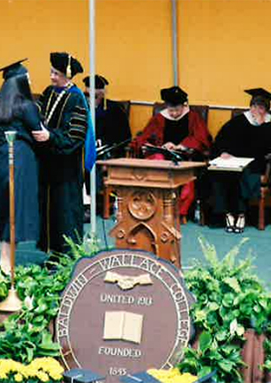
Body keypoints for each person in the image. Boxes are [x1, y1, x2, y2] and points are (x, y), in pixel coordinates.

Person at [33, 52, 89, 256]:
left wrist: (51, 137)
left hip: (66, 165)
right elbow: (38, 115)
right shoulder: (49, 92)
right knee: (48, 208)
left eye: (56, 73)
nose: (52, 77)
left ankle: (67, 255)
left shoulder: (77, 99)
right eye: (51, 72)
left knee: (65, 210)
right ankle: (50, 252)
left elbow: (75, 136)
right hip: (47, 162)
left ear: (67, 75)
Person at [0, 59, 41, 273]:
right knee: (16, 211)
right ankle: (7, 264)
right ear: (20, 83)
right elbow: (38, 132)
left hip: (0, 158)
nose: (30, 82)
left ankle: (4, 259)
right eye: (27, 79)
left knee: (6, 209)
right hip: (21, 160)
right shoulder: (26, 106)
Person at [210, 88, 271, 233]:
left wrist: (264, 127)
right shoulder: (239, 121)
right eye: (254, 106)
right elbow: (221, 139)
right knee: (220, 171)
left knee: (243, 173)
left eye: (261, 107)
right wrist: (224, 152)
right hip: (234, 160)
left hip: (258, 163)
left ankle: (240, 213)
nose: (256, 110)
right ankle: (225, 213)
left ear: (267, 109)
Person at [130, 86, 211, 220]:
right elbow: (145, 137)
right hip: (162, 155)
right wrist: (156, 146)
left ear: (184, 106)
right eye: (171, 110)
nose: (173, 114)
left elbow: (201, 138)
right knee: (157, 159)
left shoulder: (193, 117)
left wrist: (181, 146)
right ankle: (155, 206)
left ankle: (178, 211)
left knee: (185, 172)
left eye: (177, 110)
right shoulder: (159, 118)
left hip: (184, 156)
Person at [82, 74, 132, 222]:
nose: (91, 99)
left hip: (108, 150)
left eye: (95, 95)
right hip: (82, 148)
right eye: (88, 95)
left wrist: (103, 141)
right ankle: (80, 202)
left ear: (101, 94)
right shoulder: (80, 108)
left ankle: (90, 204)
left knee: (93, 162)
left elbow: (124, 135)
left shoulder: (114, 109)